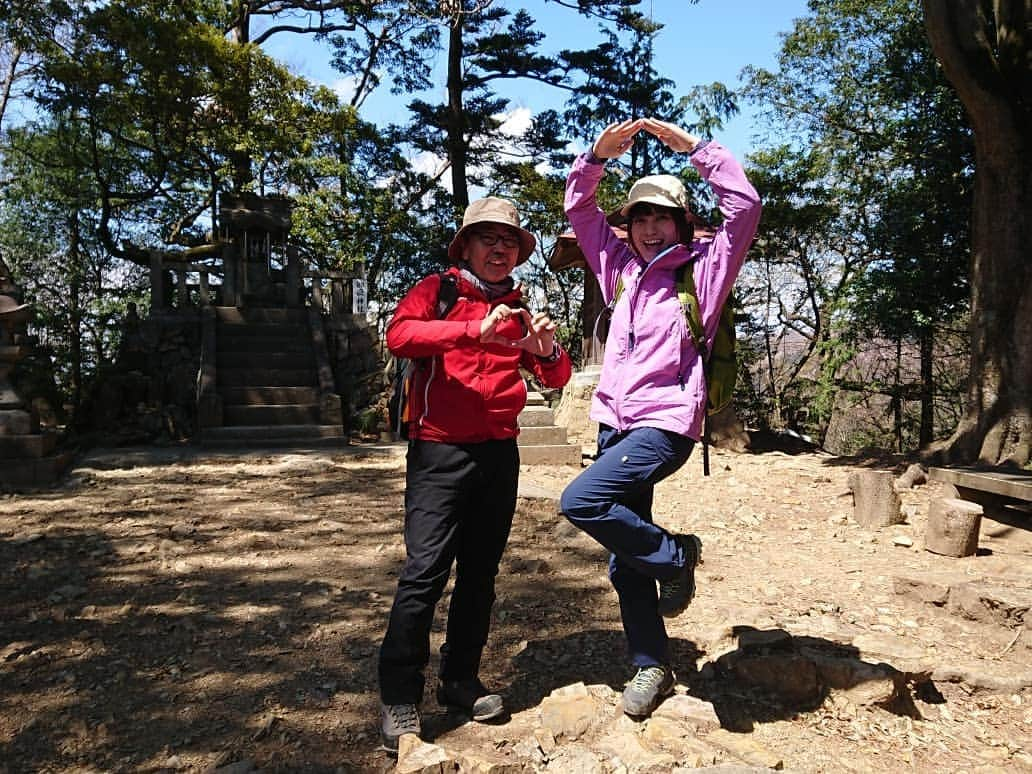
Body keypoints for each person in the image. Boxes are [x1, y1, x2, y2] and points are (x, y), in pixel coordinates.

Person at [559, 118, 761, 719]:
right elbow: (579, 207)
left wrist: (694, 149)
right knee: (625, 554)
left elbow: (744, 206)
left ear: (681, 222)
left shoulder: (704, 269)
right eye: (640, 218)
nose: (649, 228)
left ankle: (678, 555)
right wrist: (596, 155)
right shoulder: (618, 267)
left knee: (582, 502)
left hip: (668, 421)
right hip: (613, 421)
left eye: (661, 217)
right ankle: (650, 663)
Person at [378, 196, 573, 752]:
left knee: (480, 575)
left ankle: (459, 680)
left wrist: (546, 346)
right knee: (424, 574)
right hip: (439, 451)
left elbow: (553, 374)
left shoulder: (517, 306)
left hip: (499, 454)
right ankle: (400, 697)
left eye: (508, 241)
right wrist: (470, 332)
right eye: (487, 238)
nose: (499, 248)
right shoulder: (436, 292)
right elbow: (400, 337)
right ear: (465, 245)